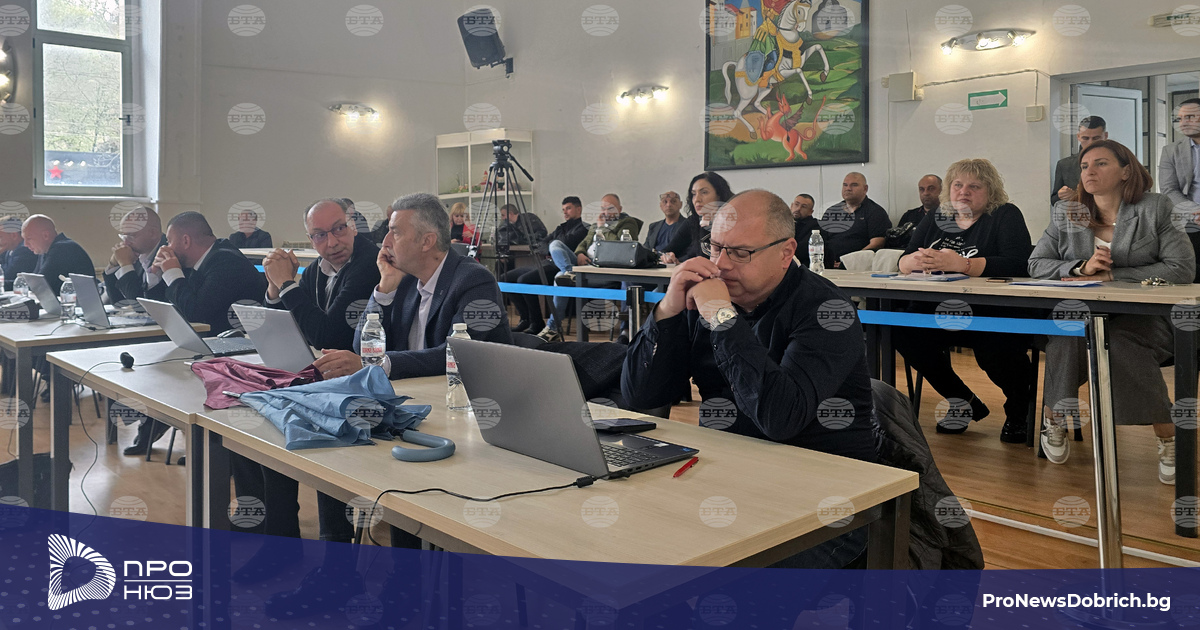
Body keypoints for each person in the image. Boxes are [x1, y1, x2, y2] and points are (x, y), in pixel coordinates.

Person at [622, 189, 876, 569]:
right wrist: (668, 310)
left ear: (786, 252)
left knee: (725, 579)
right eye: (715, 247)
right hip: (727, 474)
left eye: (741, 253)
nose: (721, 265)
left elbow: (779, 418)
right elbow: (640, 395)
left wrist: (722, 317)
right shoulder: (707, 295)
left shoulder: (827, 311)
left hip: (824, 493)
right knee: (636, 544)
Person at [231, 198, 382, 583]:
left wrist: (287, 284)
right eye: (319, 235)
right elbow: (287, 325)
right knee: (261, 421)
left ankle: (332, 562)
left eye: (339, 229)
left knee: (311, 429)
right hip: (323, 380)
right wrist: (273, 289)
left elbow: (329, 333)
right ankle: (279, 542)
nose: (331, 242)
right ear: (309, 239)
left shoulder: (370, 263)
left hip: (366, 386)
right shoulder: (316, 269)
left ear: (353, 225)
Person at [1030, 140, 1194, 483]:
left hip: (1145, 316)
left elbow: (1181, 268)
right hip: (1081, 311)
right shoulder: (1066, 212)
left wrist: (1112, 275)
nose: (1089, 172)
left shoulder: (1156, 207)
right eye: (1084, 166)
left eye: (1100, 163)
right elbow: (1036, 264)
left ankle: (1168, 435)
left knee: (1121, 341)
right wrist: (1080, 268)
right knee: (1067, 336)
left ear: (1126, 171)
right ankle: (1053, 417)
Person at [893, 159, 1034, 441]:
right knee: (903, 332)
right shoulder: (938, 216)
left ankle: (1020, 410)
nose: (963, 192)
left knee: (995, 348)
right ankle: (963, 401)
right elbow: (905, 257)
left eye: (974, 186)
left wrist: (963, 265)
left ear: (990, 191)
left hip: (991, 311)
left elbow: (1019, 263)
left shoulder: (1005, 214)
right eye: (957, 185)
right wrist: (911, 262)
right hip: (937, 308)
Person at [313, 192, 512, 381]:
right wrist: (385, 289)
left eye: (395, 233)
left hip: (471, 397)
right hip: (416, 392)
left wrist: (379, 364)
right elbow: (362, 348)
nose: (385, 242)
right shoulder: (405, 279)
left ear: (426, 242)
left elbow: (457, 355)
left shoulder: (475, 280)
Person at [156, 211, 269, 334]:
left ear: (186, 241)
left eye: (169, 241)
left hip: (242, 342)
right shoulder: (198, 261)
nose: (166, 248)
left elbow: (196, 314)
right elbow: (167, 308)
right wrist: (155, 273)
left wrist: (173, 274)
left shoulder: (227, 262)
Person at [502, 196, 588, 334]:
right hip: (546, 262)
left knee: (524, 280)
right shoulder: (561, 227)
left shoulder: (584, 229)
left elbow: (565, 243)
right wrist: (551, 247)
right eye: (563, 209)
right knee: (505, 277)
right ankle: (525, 318)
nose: (565, 212)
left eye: (568, 208)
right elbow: (542, 243)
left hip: (559, 266)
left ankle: (536, 323)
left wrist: (552, 245)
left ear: (579, 209)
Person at [1158, 98, 1200, 282]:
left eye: (1189, 117)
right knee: (1193, 274)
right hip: (1190, 221)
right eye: (1179, 119)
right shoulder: (1171, 150)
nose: (1183, 123)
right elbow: (1168, 189)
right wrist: (1195, 211)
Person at [820, 173, 891, 269]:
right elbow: (820, 240)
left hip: (859, 267)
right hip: (828, 266)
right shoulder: (832, 211)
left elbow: (877, 244)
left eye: (854, 185)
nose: (848, 188)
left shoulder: (875, 212)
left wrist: (849, 262)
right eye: (845, 185)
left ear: (865, 189)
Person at [663, 172, 735, 263]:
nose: (697, 199)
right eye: (693, 194)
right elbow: (667, 251)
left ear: (719, 195)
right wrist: (668, 256)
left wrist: (706, 224)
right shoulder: (693, 221)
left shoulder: (733, 221)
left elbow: (710, 258)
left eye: (704, 192)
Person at [102, 205, 168, 305]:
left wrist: (126, 264)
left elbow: (139, 306)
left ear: (153, 233)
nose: (126, 243)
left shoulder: (168, 255)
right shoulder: (136, 252)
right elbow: (118, 302)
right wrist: (113, 265)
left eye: (131, 236)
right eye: (124, 236)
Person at [21, 215, 95, 294]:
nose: (25, 244)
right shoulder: (45, 250)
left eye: (29, 238)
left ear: (46, 235)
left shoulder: (63, 248)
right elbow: (33, 282)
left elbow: (39, 286)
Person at [1052, 116, 1108, 205]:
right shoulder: (1065, 165)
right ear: (1078, 136)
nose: (1090, 143)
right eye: (1085, 138)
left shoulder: (1117, 161)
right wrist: (1062, 195)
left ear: (1105, 136)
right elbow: (1054, 200)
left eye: (1096, 138)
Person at [887, 175, 942, 250]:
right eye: (921, 189)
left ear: (942, 190)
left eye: (931, 189)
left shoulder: (949, 216)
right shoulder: (909, 215)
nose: (925, 193)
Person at [0, 215, 36, 291]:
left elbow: (7, 276)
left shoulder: (25, 251)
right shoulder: (8, 250)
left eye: (0, 237)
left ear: (14, 235)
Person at [791, 193, 819, 267]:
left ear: (810, 212)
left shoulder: (815, 227)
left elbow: (801, 251)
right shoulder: (782, 223)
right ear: (791, 206)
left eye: (803, 207)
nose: (798, 209)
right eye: (796, 204)